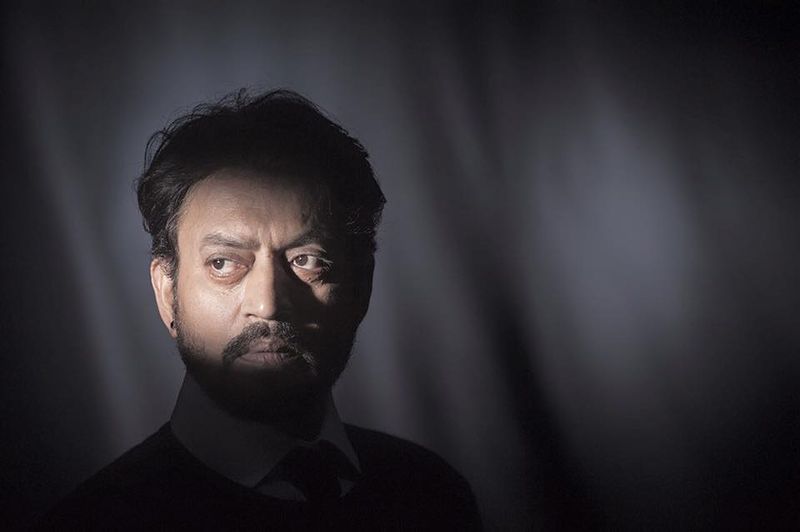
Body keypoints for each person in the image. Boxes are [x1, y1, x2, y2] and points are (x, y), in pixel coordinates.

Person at [37, 89, 482, 531]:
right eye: (223, 264)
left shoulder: (433, 495)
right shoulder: (92, 523)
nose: (268, 305)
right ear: (166, 291)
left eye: (307, 260)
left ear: (361, 285)